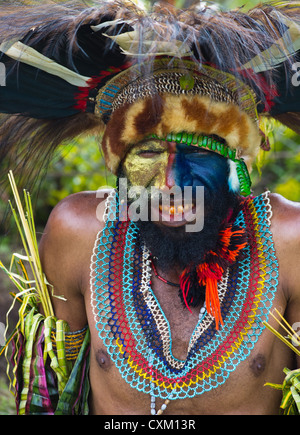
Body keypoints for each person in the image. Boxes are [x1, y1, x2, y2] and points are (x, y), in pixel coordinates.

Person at [0, 0, 300, 415]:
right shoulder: (78, 233)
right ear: (121, 166)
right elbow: (48, 399)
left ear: (236, 167)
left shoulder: (289, 242)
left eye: (197, 153)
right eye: (148, 155)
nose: (170, 185)